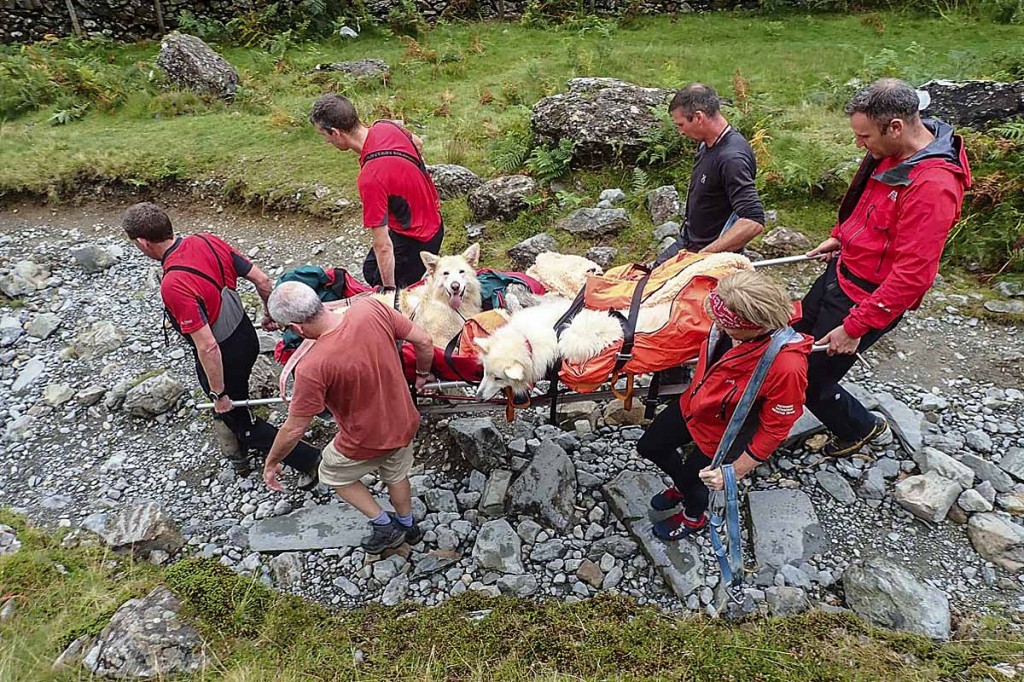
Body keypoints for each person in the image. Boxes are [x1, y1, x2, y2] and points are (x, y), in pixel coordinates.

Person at [796, 78, 971, 458]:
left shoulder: (933, 186)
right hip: (841, 273)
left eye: (864, 136)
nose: (859, 144)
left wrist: (855, 327)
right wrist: (842, 236)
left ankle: (859, 428)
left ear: (896, 126)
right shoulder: (891, 152)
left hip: (864, 298)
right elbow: (870, 206)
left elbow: (913, 276)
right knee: (792, 340)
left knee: (811, 381)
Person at [122, 202, 322, 485]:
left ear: (142, 243)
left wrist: (219, 395)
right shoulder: (206, 239)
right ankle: (238, 448)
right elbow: (262, 279)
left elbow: (207, 347)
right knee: (237, 391)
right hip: (246, 335)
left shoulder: (174, 283)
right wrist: (269, 314)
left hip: (225, 352)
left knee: (239, 418)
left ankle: (310, 460)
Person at [635, 270, 812, 541]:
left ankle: (694, 517)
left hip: (724, 434)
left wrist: (734, 472)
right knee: (650, 446)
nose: (715, 323)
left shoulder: (786, 366)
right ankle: (683, 484)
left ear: (751, 325)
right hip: (694, 406)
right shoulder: (728, 325)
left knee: (699, 482)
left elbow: (776, 428)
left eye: (723, 322)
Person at [262, 282, 435, 553]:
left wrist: (272, 462)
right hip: (405, 422)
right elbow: (424, 341)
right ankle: (409, 526)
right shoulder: (371, 308)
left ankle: (384, 526)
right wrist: (423, 375)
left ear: (296, 328)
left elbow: (294, 428)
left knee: (332, 473)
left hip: (366, 440)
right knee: (397, 473)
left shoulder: (311, 366)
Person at [309, 93, 444, 289]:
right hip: (433, 219)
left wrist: (388, 292)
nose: (326, 142)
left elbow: (383, 246)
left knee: (384, 285)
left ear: (335, 133)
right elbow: (417, 143)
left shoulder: (371, 178)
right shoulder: (385, 126)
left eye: (324, 136)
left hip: (418, 239)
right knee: (370, 269)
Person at [656, 83, 766, 262]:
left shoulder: (732, 158)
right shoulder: (707, 143)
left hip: (708, 255)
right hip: (687, 243)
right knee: (642, 281)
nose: (681, 132)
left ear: (698, 117)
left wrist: (705, 256)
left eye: (681, 124)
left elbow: (753, 221)